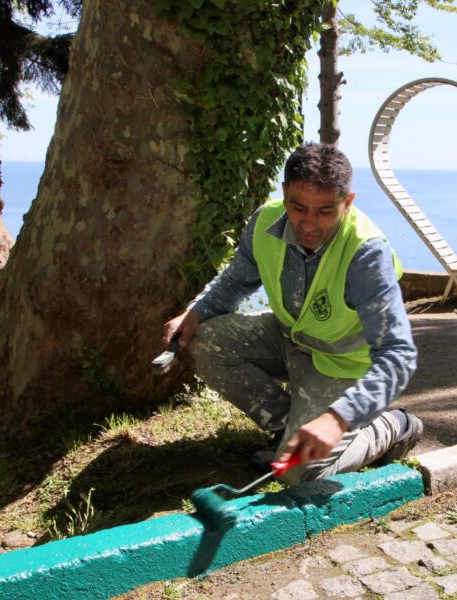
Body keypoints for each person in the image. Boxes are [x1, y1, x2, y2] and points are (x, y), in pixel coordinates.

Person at [162, 143, 421, 484]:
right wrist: (194, 313)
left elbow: (398, 355)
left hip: (342, 365)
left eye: (325, 211)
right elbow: (236, 280)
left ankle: (389, 426)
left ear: (347, 203)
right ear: (284, 194)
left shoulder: (367, 254)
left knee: (299, 474)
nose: (309, 224)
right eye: (299, 208)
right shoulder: (265, 220)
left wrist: (339, 418)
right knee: (205, 340)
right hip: (288, 340)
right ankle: (290, 431)